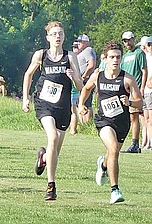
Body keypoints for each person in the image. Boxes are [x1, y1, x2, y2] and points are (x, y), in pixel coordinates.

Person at [21, 21, 84, 201]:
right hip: (44, 103)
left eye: (60, 34)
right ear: (48, 37)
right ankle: (51, 186)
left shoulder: (70, 57)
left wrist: (73, 78)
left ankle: (44, 158)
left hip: (62, 106)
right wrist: (26, 98)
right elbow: (28, 75)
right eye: (54, 34)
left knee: (55, 150)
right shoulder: (41, 55)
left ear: (64, 37)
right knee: (53, 137)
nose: (58, 36)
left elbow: (80, 86)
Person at [77, 41, 140, 204]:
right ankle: (115, 190)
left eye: (118, 57)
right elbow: (86, 88)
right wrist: (81, 105)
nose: (115, 60)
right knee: (113, 149)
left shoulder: (127, 79)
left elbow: (140, 103)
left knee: (113, 153)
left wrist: (130, 102)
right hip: (104, 121)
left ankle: (103, 165)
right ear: (105, 59)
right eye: (112, 57)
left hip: (122, 123)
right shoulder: (98, 75)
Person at [119, 31, 144, 153]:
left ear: (133, 39)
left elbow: (144, 71)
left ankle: (135, 144)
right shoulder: (124, 56)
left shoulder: (139, 53)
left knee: (134, 116)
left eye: (129, 40)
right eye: (125, 40)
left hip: (135, 88)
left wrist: (142, 88)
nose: (127, 43)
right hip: (126, 89)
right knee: (128, 117)